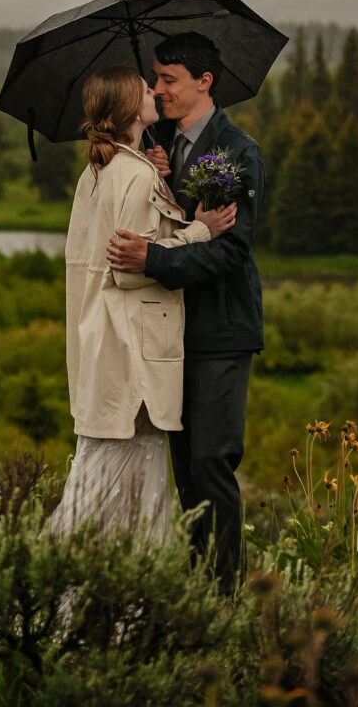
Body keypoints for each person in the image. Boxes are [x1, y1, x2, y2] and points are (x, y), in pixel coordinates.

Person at [48, 65, 236, 541]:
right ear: (131, 109)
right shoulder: (132, 173)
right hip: (133, 356)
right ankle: (111, 607)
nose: (155, 91)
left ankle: (90, 602)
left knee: (99, 492)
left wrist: (160, 179)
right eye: (144, 89)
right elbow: (131, 271)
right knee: (119, 501)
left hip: (102, 349)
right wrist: (201, 230)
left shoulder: (99, 170)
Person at [106, 32, 265, 592]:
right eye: (155, 78)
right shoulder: (159, 143)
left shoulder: (237, 152)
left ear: (205, 82)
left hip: (220, 330)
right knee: (184, 471)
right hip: (169, 334)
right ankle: (197, 593)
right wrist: (164, 178)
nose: (158, 89)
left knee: (211, 464)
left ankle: (223, 599)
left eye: (169, 79)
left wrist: (150, 259)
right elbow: (180, 221)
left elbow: (229, 249)